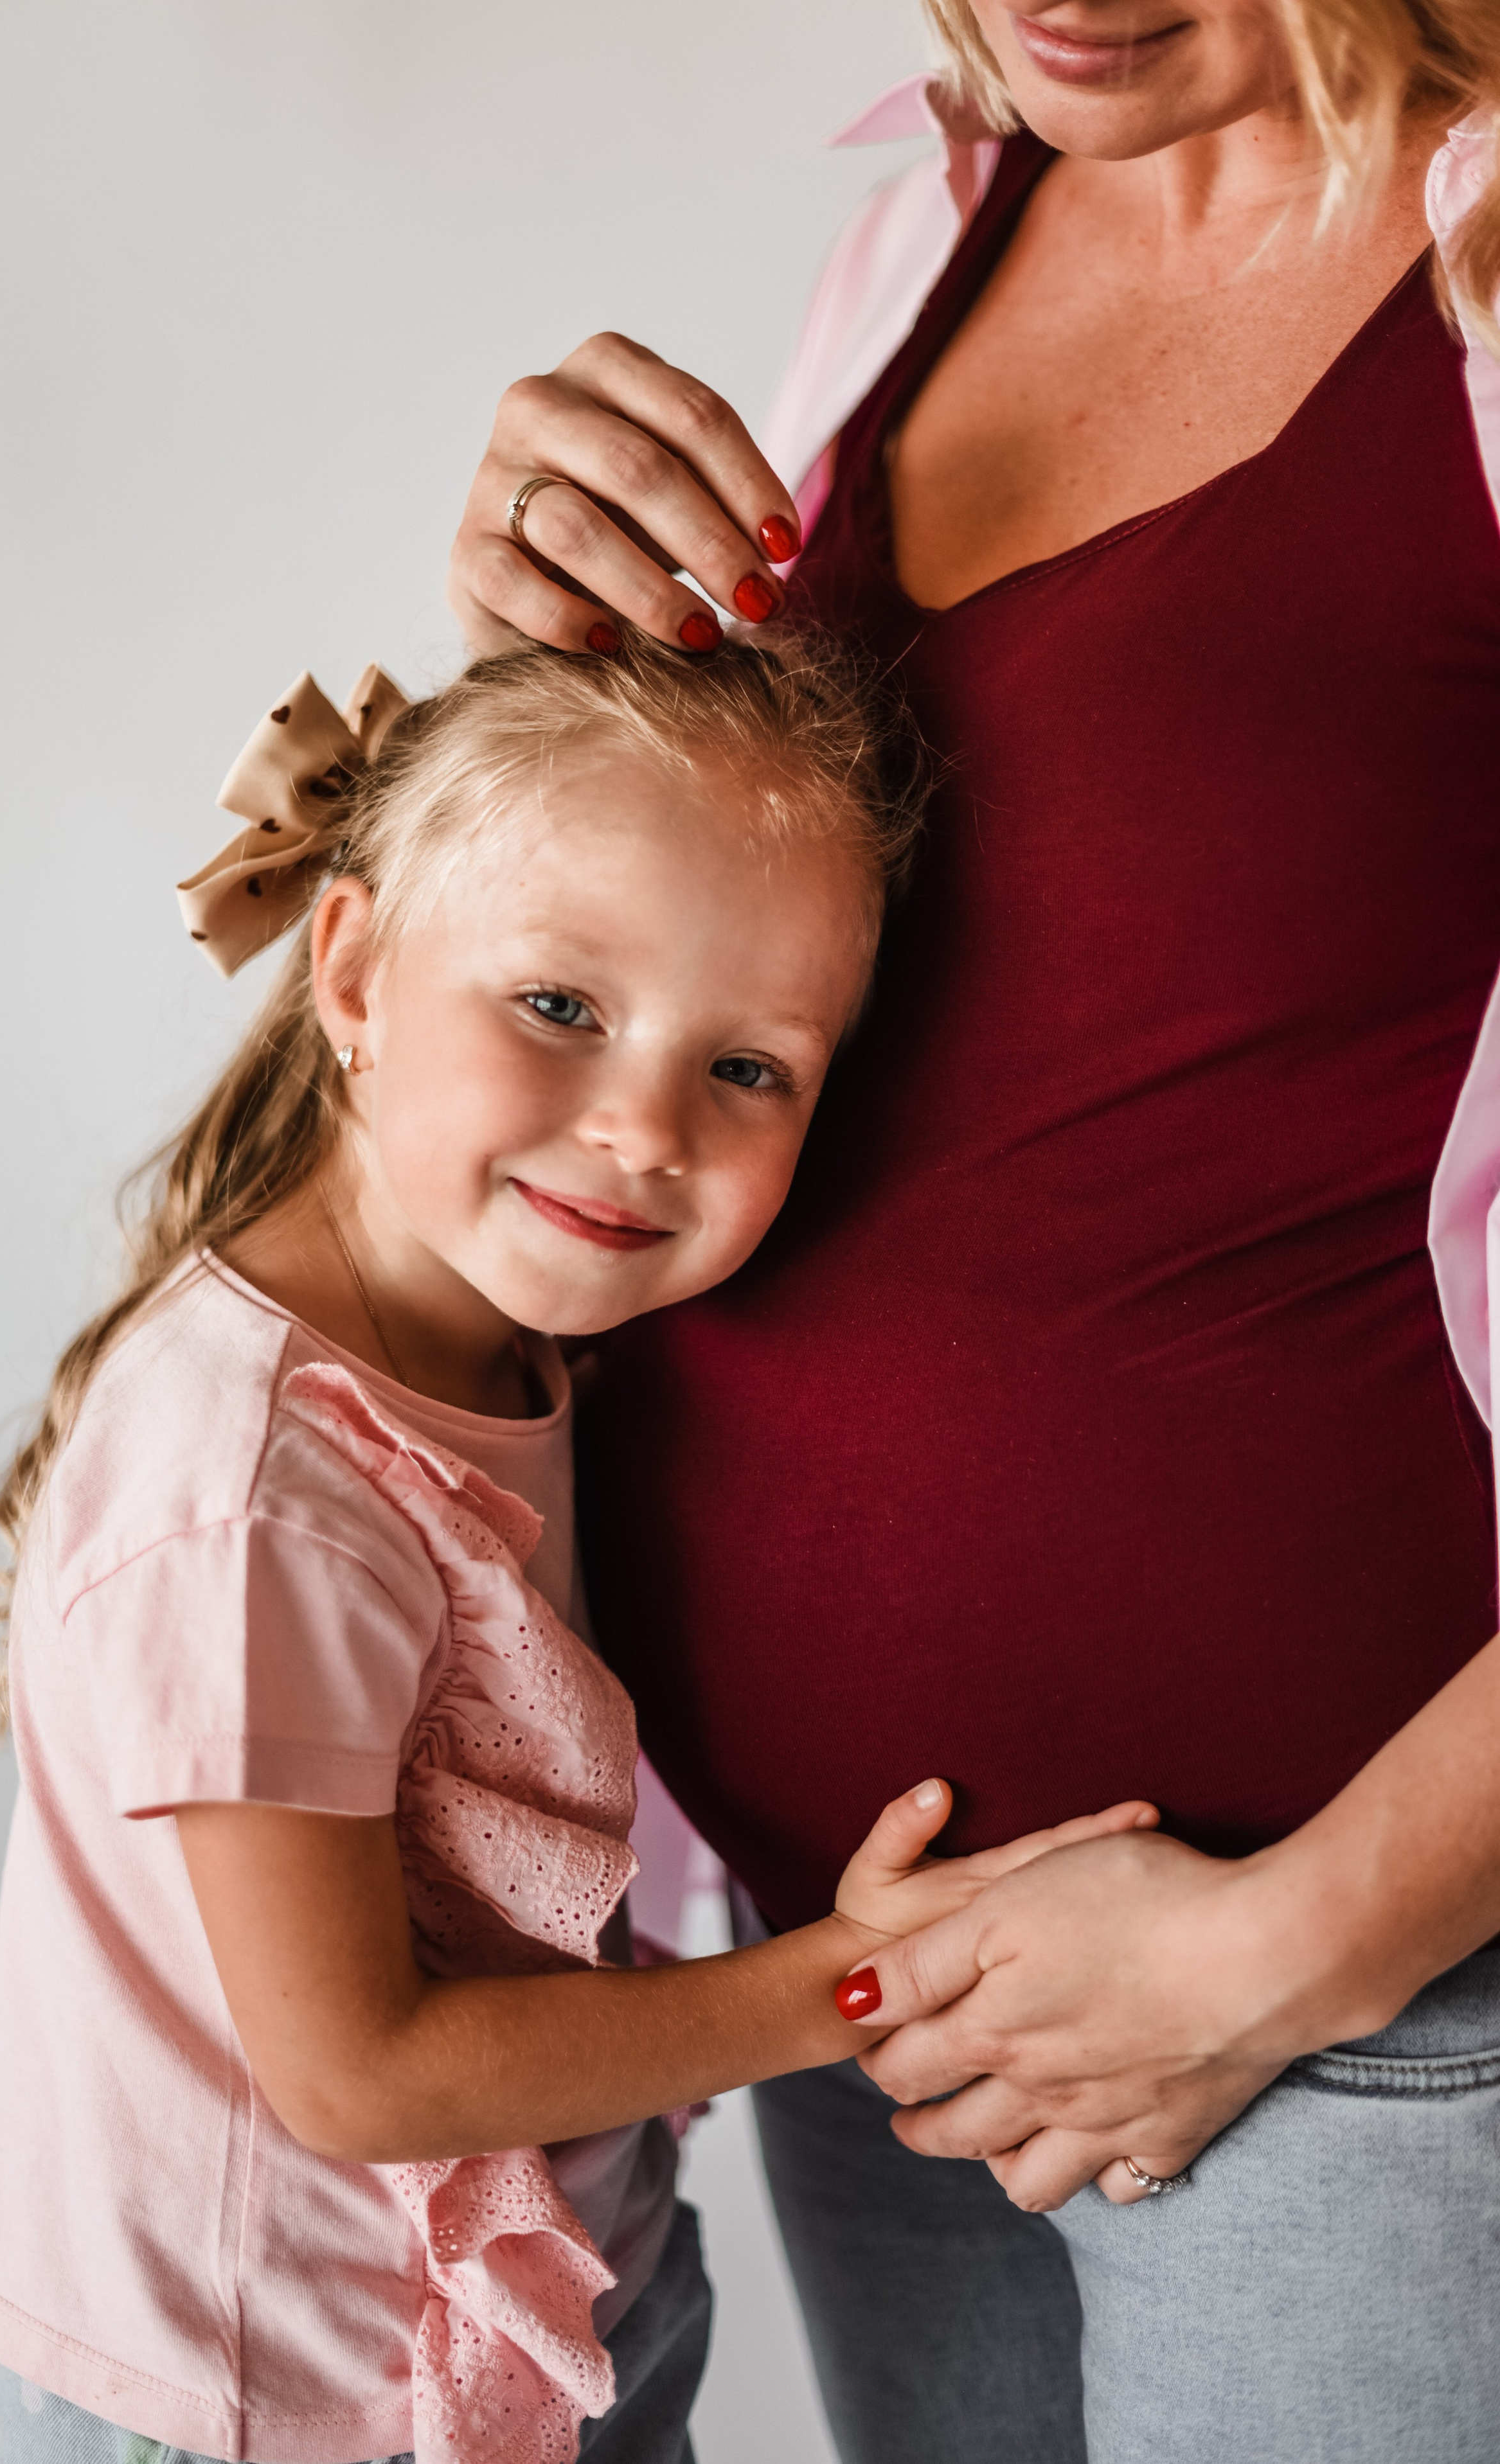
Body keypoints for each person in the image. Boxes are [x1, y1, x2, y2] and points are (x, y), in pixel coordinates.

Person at [445, 0, 1500, 2456]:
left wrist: (1291, 1945)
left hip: (1364, 2008)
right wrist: (540, 691)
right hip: (862, 1968)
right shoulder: (933, 230)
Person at [0, 630, 1152, 2464]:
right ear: (352, 969)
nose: (644, 1128)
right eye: (562, 1008)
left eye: (747, 1066)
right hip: (277, 2401)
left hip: (555, 2309)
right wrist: (859, 1979)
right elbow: (357, 2071)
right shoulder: (269, 1489)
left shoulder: (514, 1342)